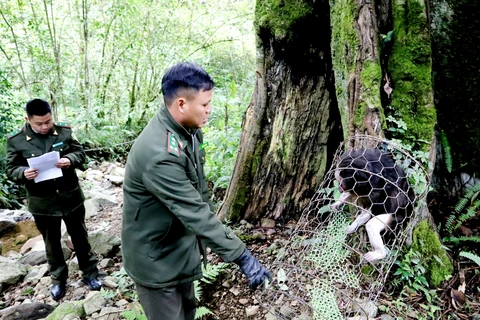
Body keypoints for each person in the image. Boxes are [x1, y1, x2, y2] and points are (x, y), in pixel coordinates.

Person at [122, 61, 271, 320]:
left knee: (188, 312)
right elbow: (194, 212)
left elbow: (199, 192)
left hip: (179, 248)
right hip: (156, 259)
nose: (209, 110)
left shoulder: (187, 132)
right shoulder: (159, 154)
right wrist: (242, 256)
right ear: (181, 104)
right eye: (204, 104)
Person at [6, 99, 102, 301]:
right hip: (43, 202)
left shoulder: (64, 132)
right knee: (52, 243)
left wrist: (70, 160)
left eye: (48, 122)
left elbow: (80, 153)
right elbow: (10, 168)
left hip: (70, 196)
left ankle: (90, 273)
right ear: (28, 120)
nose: (44, 127)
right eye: (39, 124)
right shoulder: (16, 140)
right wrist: (24, 172)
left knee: (80, 237)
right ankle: (58, 280)